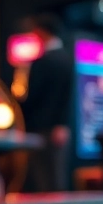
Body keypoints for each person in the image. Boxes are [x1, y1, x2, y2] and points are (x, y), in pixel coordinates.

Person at [20, 13, 74, 192]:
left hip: (39, 128)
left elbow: (33, 96)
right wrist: (62, 124)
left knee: (44, 179)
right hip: (56, 129)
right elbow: (69, 96)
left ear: (42, 31)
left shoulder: (41, 62)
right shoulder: (67, 59)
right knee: (55, 177)